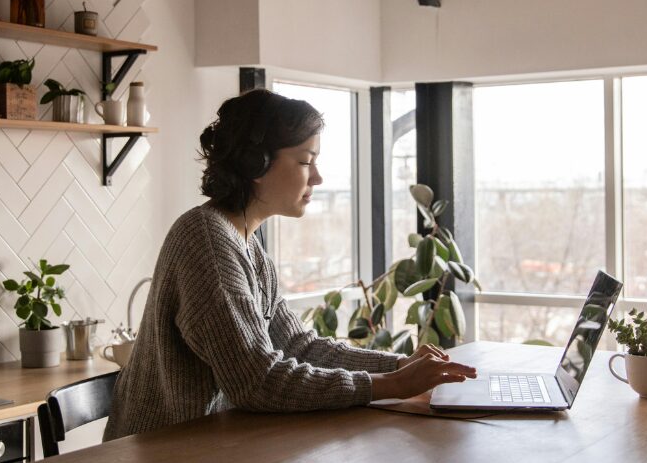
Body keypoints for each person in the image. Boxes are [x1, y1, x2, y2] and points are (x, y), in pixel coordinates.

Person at [103, 89, 477, 441]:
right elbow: (257, 381)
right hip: (156, 459)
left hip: (209, 446)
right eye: (305, 161)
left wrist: (399, 366)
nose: (317, 177)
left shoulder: (245, 243)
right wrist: (390, 385)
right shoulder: (207, 243)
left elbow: (298, 346)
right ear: (256, 164)